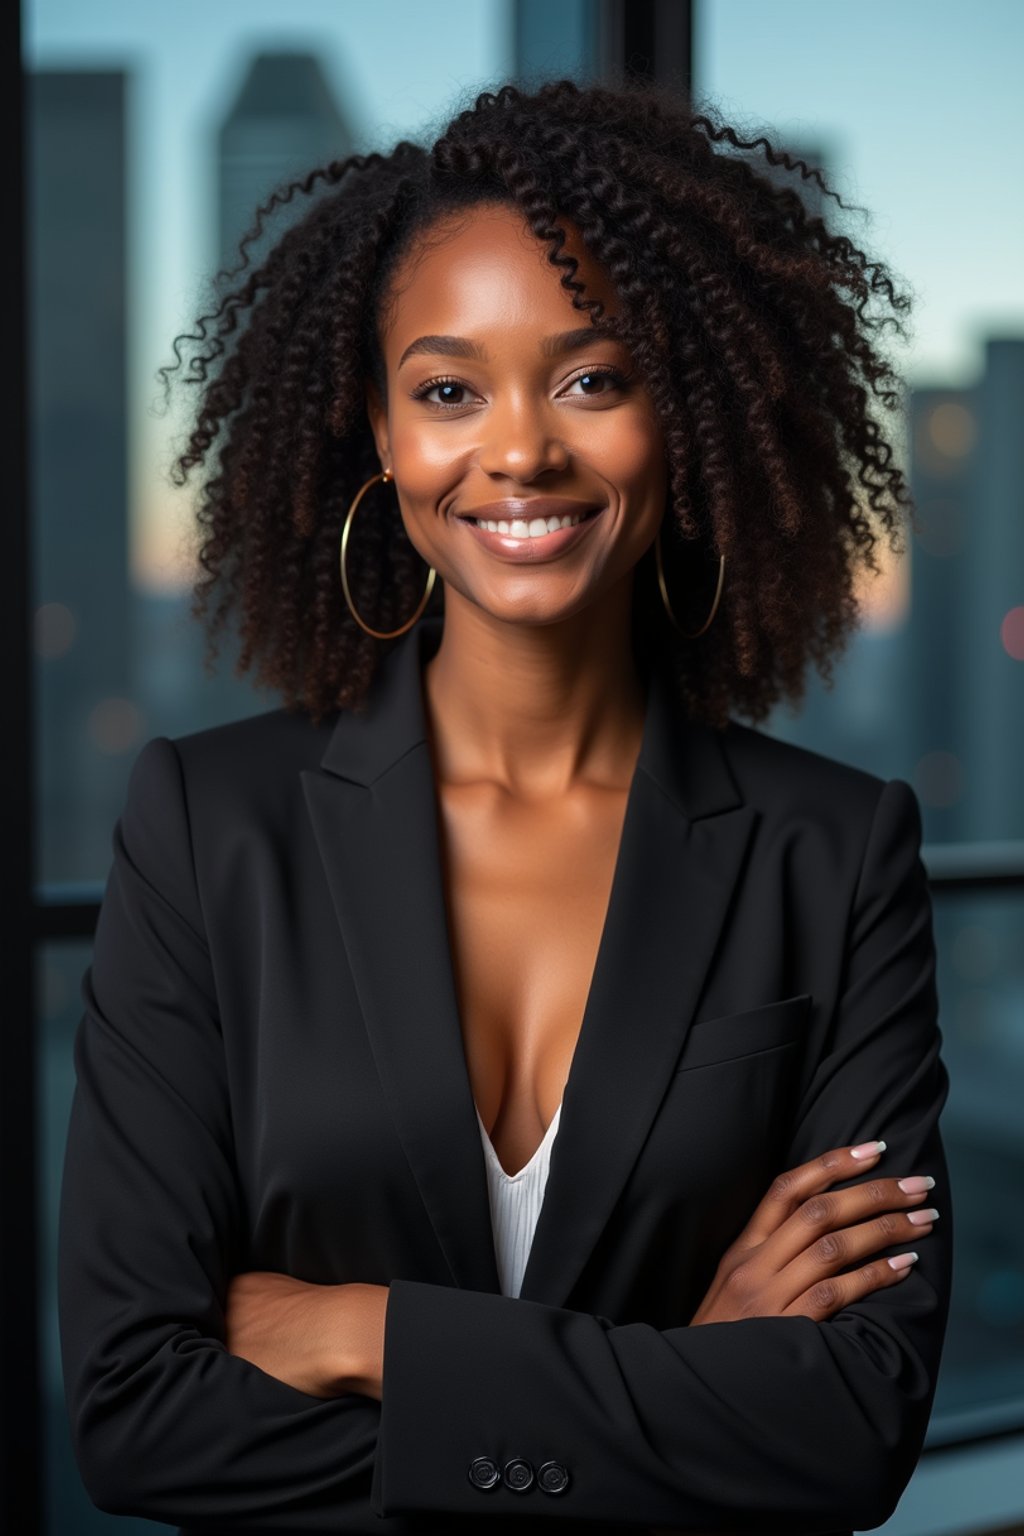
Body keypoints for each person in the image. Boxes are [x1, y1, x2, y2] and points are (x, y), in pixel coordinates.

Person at [58, 78, 952, 1535]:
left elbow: (848, 1432)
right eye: (450, 389)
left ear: (689, 413)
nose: (521, 449)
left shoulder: (835, 856)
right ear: (381, 431)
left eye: (594, 378)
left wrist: (365, 1335)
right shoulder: (210, 831)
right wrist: (686, 1379)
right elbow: (136, 1416)